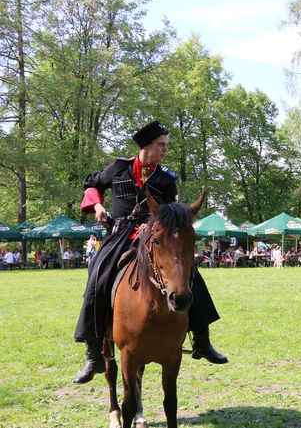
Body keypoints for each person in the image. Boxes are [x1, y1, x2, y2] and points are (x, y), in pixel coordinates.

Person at [72, 120, 228, 385]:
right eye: (161, 145)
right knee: (97, 272)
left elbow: (173, 211)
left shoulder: (166, 178)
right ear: (146, 145)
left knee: (190, 274)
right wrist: (97, 206)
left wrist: (162, 223)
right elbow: (92, 184)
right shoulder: (118, 167)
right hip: (120, 234)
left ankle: (202, 339)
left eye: (166, 145)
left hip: (155, 235)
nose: (165, 149)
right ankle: (94, 352)